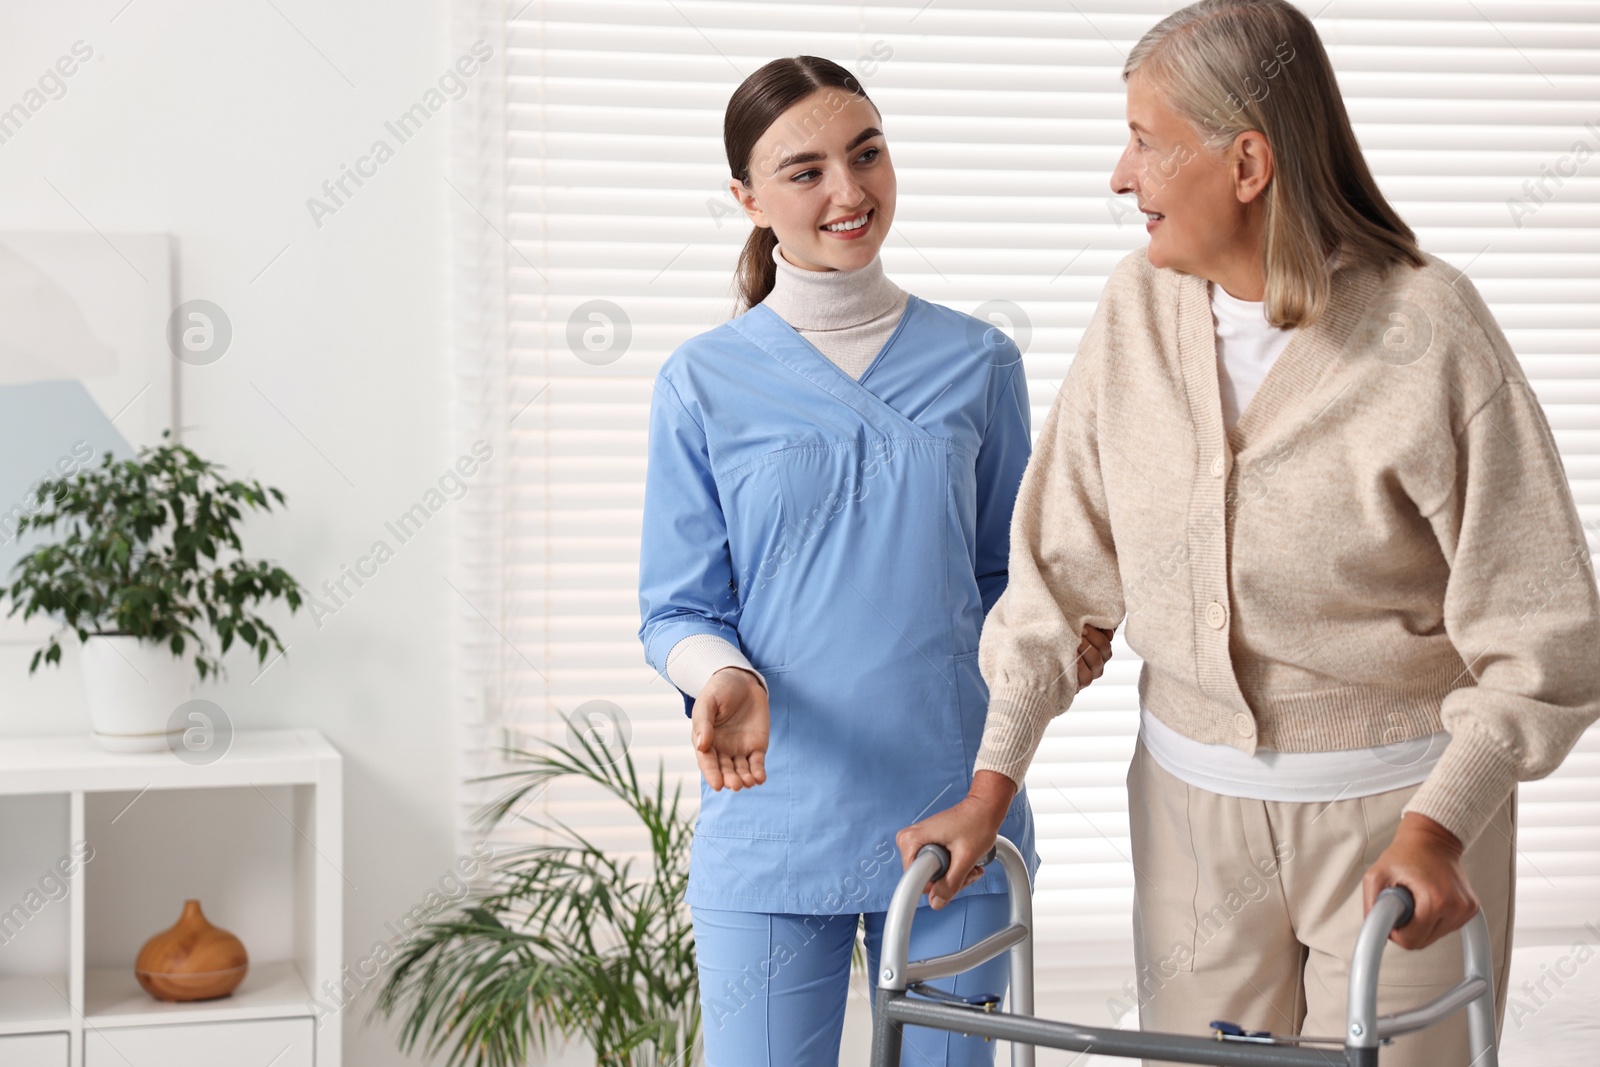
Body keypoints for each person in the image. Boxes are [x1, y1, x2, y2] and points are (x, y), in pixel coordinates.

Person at [896, 3, 1600, 1065]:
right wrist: (988, 787)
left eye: (1144, 139)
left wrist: (1441, 819)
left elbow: (1544, 629)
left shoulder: (1430, 330)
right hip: (1189, 816)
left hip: (1397, 811)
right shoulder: (1134, 313)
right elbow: (1058, 577)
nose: (1118, 176)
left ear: (1247, 162)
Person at [637, 56, 1113, 1066]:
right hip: (774, 817)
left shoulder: (979, 362)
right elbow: (675, 607)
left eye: (866, 153)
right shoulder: (702, 382)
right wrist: (720, 675)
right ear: (747, 200)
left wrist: (1058, 637)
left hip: (955, 815)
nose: (848, 191)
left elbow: (1004, 581)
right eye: (804, 171)